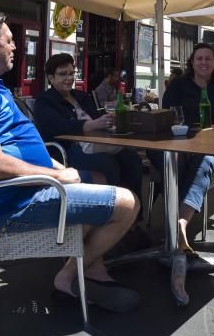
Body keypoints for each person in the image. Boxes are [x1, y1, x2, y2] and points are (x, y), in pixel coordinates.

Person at [0, 10, 140, 311]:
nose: (15, 47)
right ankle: (71, 275)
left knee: (96, 179)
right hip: (14, 206)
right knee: (128, 204)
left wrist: (61, 169)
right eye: (9, 41)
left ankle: (89, 266)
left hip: (28, 190)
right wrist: (58, 178)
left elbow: (20, 146)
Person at [34, 54, 147, 238]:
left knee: (131, 158)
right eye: (63, 74)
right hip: (69, 150)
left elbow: (96, 117)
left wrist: (106, 122)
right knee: (108, 164)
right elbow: (55, 126)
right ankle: (109, 220)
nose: (69, 78)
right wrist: (90, 125)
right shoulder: (45, 101)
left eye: (71, 73)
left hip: (97, 143)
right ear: (50, 77)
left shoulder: (81, 95)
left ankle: (134, 218)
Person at [149, 42, 214, 255]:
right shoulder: (178, 86)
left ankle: (179, 223)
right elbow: (167, 114)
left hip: (209, 145)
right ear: (192, 62)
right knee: (175, 160)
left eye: (208, 58)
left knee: (206, 160)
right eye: (199, 58)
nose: (204, 62)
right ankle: (175, 223)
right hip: (173, 143)